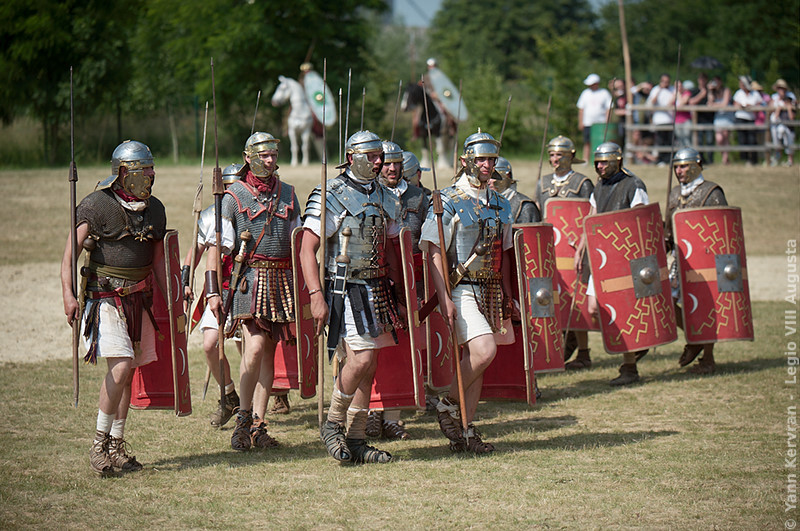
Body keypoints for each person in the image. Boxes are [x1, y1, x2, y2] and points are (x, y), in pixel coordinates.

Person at [61, 140, 166, 476]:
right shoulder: (97, 205)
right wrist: (68, 294)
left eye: (152, 167)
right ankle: (99, 445)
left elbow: (159, 261)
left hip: (139, 299)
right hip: (105, 298)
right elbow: (70, 254)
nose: (151, 174)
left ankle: (117, 447)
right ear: (124, 172)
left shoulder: (154, 209)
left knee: (128, 371)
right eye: (145, 168)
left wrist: (174, 295)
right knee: (120, 368)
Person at [299, 130, 405, 464]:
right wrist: (315, 295)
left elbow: (392, 249)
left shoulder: (385, 195)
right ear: (351, 157)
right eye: (371, 156)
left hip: (377, 287)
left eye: (380, 156)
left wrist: (400, 294)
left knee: (369, 364)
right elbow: (306, 249)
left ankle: (357, 438)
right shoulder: (331, 194)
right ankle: (333, 423)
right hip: (346, 288)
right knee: (359, 359)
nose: (379, 162)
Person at [420, 130, 515, 454]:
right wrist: (444, 297)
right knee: (484, 350)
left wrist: (508, 294)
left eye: (491, 159)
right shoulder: (448, 200)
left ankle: (465, 430)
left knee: (476, 361)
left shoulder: (500, 203)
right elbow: (434, 251)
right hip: (460, 287)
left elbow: (505, 253)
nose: (487, 164)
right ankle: (447, 404)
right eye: (481, 159)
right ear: (465, 161)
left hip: (490, 290)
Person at [207, 132, 301, 451]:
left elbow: (299, 241)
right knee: (256, 347)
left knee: (269, 352)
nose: (270, 160)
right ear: (248, 157)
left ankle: (259, 425)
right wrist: (213, 292)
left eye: (273, 154)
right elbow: (216, 248)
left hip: (281, 281)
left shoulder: (288, 193)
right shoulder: (233, 196)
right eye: (264, 155)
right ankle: (243, 420)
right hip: (250, 280)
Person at [364, 140, 429, 441]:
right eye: (386, 163)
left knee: (403, 350)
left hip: (411, 280)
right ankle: (372, 411)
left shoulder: (419, 197)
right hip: (375, 278)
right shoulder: (367, 193)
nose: (391, 168)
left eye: (396, 163)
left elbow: (428, 241)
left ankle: (393, 417)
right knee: (374, 347)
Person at [575, 142, 650, 386]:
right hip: (600, 258)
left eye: (604, 162)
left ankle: (629, 366)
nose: (599, 166)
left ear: (617, 160)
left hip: (622, 261)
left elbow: (640, 220)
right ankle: (634, 346)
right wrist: (581, 247)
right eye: (597, 162)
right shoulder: (600, 185)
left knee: (622, 311)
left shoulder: (633, 184)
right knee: (593, 309)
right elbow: (591, 217)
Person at [182, 163, 242, 429]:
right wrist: (185, 279)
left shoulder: (251, 211)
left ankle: (251, 409)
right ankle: (230, 396)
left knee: (246, 349)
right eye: (229, 187)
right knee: (210, 344)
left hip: (246, 287)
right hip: (219, 289)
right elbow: (195, 250)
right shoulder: (211, 216)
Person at [665, 147, 728, 374]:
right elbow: (668, 232)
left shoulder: (712, 192)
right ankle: (695, 338)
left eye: (683, 166)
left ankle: (708, 358)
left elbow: (721, 228)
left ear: (696, 165)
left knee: (705, 307)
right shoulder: (674, 194)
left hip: (706, 261)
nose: (679, 171)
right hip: (680, 260)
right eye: (676, 167)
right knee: (667, 302)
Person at [534, 136, 594, 367]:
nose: (554, 159)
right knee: (554, 299)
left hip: (575, 249)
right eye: (551, 155)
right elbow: (539, 213)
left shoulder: (582, 183)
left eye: (559, 155)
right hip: (551, 250)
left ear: (571, 156)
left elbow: (589, 215)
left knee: (577, 298)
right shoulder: (543, 183)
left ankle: (584, 352)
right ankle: (556, 349)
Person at [577, 73, 612, 163]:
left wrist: (607, 121)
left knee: (601, 141)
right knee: (587, 142)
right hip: (588, 122)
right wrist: (581, 122)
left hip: (600, 123)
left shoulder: (604, 93)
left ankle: (601, 158)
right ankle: (586, 159)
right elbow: (581, 109)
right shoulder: (585, 93)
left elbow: (609, 108)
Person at [646, 73, 675, 165]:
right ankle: (661, 159)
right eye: (664, 81)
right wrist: (659, 90)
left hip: (670, 119)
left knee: (669, 141)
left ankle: (669, 159)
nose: (666, 83)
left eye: (667, 81)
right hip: (659, 120)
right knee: (660, 141)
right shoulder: (655, 89)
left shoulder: (672, 89)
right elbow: (652, 102)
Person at [732, 75, 762, 165]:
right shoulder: (738, 93)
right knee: (742, 139)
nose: (741, 84)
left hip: (750, 119)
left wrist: (751, 107)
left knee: (752, 139)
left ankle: (753, 160)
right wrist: (741, 106)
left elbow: (760, 104)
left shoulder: (755, 94)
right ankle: (744, 159)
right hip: (740, 118)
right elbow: (735, 104)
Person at [688, 73, 715, 164]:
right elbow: (691, 102)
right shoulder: (694, 91)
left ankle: (710, 160)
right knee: (699, 141)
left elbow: (711, 103)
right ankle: (701, 159)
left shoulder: (710, 91)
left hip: (709, 119)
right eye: (701, 79)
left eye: (704, 79)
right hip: (698, 120)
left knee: (709, 141)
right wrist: (702, 94)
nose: (702, 81)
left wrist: (709, 91)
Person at [770, 78, 796, 167]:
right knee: (777, 141)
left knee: (788, 140)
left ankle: (789, 160)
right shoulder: (774, 98)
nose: (781, 90)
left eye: (783, 88)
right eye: (779, 88)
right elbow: (771, 110)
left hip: (787, 124)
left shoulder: (790, 97)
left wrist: (787, 107)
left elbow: (792, 114)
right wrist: (778, 108)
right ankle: (777, 158)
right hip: (776, 123)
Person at [709, 76, 734, 165]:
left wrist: (714, 105)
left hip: (727, 117)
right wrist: (710, 91)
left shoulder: (726, 90)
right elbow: (709, 103)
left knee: (725, 137)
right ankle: (725, 157)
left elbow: (725, 104)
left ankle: (724, 160)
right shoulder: (713, 92)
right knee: (719, 139)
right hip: (719, 117)